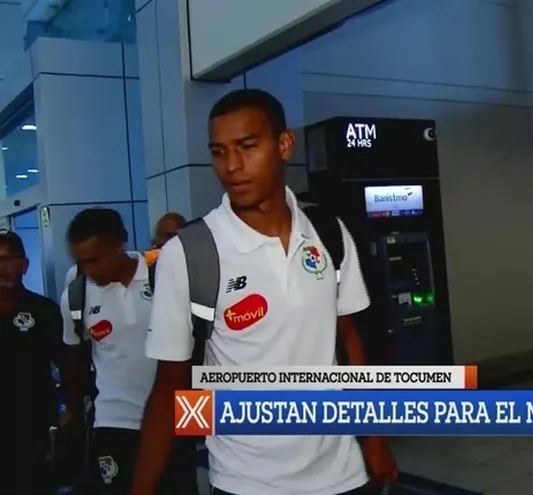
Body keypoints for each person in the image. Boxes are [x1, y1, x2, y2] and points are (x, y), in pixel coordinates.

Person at [134, 89, 396, 495]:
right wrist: (143, 487)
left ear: (284, 144)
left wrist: (376, 442)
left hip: (343, 476)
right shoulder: (189, 253)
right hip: (246, 483)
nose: (232, 166)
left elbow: (347, 341)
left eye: (247, 147)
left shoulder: (328, 233)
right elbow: (170, 385)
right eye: (219, 152)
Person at [59, 208, 197, 494]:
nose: (89, 270)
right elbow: (74, 361)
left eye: (95, 259)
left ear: (120, 242)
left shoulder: (164, 278)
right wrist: (74, 410)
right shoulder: (76, 296)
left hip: (173, 422)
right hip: (113, 424)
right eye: (81, 262)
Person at [0, 230, 64, 494]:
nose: (2, 267)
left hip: (33, 427)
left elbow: (68, 363)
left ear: (24, 265)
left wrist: (69, 411)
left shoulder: (44, 311)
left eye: (9, 258)